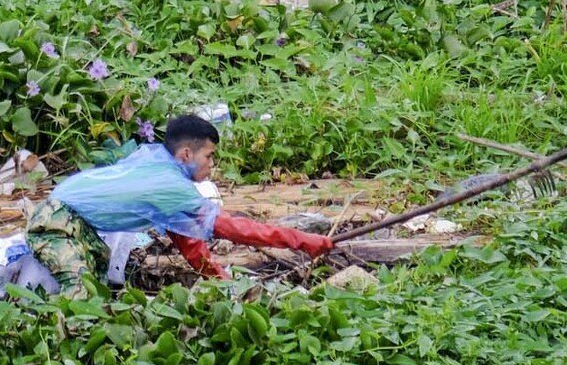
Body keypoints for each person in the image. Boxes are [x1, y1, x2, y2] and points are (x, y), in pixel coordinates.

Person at [25, 114, 336, 298]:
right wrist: (300, 241)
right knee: (80, 292)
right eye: (210, 156)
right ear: (187, 154)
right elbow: (232, 229)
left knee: (102, 280)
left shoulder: (154, 159)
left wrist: (228, 287)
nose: (213, 164)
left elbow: (190, 245)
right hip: (56, 220)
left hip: (75, 220)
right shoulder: (171, 184)